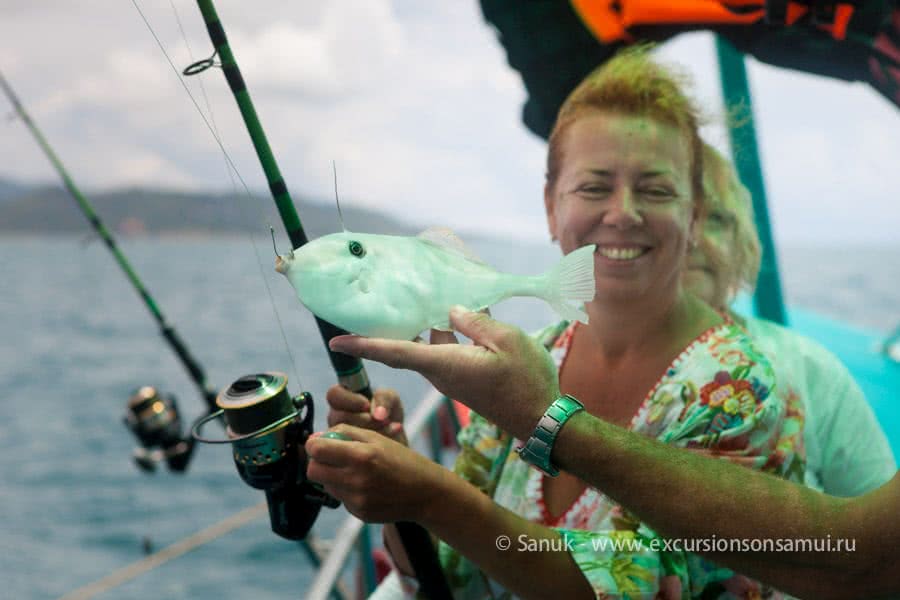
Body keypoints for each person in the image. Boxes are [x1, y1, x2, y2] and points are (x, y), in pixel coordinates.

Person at [307, 48, 805, 598]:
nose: (622, 213)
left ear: (693, 215)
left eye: (656, 189)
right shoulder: (531, 357)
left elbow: (636, 586)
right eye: (594, 187)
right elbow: (449, 571)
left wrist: (429, 495)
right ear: (551, 206)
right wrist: (399, 485)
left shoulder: (739, 389)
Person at [684, 142, 896, 496]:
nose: (693, 239)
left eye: (716, 219)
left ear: (743, 245)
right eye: (682, 214)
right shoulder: (566, 359)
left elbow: (884, 524)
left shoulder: (808, 367)